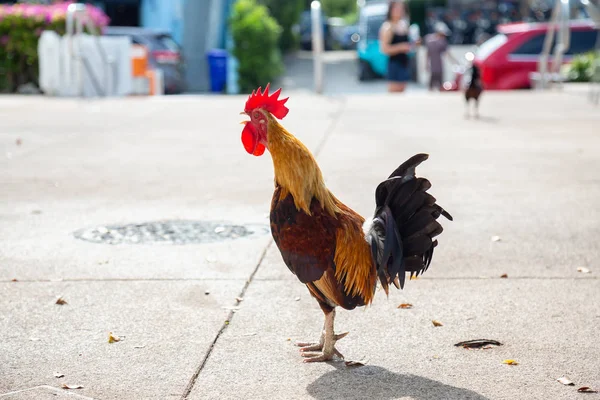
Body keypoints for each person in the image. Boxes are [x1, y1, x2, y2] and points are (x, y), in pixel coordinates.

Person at [379, 1, 412, 93]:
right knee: (394, 95)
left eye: (401, 9)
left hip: (404, 63)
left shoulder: (403, 25)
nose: (399, 11)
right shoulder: (387, 27)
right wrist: (400, 47)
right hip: (394, 63)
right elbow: (384, 49)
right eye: (396, 9)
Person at [424, 21, 457, 91]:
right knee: (432, 84)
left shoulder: (440, 41)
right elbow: (428, 53)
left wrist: (454, 62)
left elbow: (447, 53)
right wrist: (426, 64)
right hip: (433, 65)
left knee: (440, 84)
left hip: (439, 66)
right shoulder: (430, 39)